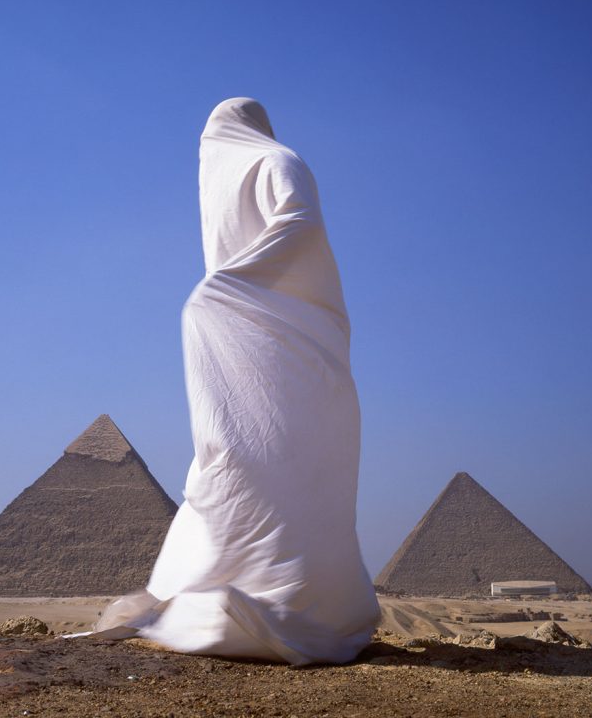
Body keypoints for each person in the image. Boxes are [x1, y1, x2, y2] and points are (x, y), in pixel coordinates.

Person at [94, 97, 379, 665]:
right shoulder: (238, 174)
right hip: (243, 333)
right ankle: (239, 585)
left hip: (286, 332)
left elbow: (301, 222)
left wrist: (232, 284)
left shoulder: (278, 160)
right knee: (229, 458)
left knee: (286, 458)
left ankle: (303, 602)